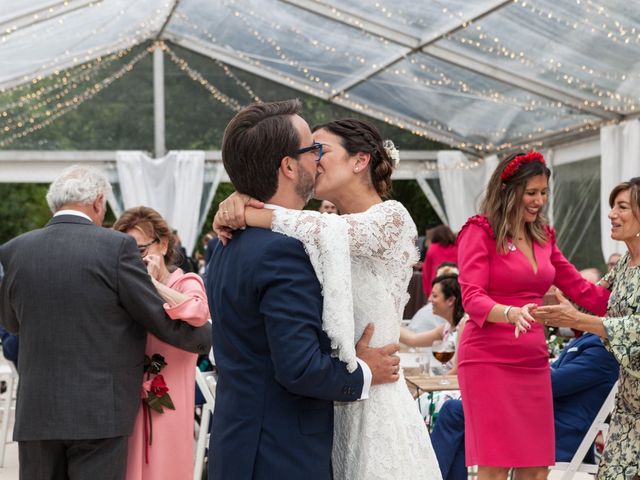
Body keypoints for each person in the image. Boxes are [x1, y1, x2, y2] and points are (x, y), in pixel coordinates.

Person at [214, 111, 442, 479]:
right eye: (311, 150)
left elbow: (325, 230)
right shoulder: (299, 241)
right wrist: (243, 200)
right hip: (328, 399)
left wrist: (248, 210)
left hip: (373, 398)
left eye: (322, 149)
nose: (316, 159)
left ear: (360, 160)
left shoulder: (390, 220)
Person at [0, 165, 211, 480]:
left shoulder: (14, 250)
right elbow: (151, 313)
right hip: (99, 414)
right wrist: (201, 337)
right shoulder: (115, 248)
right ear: (98, 202)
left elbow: (11, 323)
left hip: (37, 412)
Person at [456, 151, 610, 480]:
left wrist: (627, 304)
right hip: (488, 359)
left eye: (543, 193)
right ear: (508, 190)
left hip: (532, 361)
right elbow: (472, 298)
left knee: (537, 466)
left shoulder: (544, 237)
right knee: (495, 466)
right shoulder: (479, 231)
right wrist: (510, 313)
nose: (539, 201)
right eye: (531, 193)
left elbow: (583, 291)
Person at [535, 177, 640, 480]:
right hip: (628, 407)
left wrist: (578, 321)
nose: (611, 214)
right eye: (612, 207)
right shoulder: (624, 265)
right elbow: (588, 298)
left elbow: (635, 329)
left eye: (622, 207)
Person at [431, 330, 619, 480]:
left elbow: (548, 384)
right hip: (537, 419)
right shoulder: (589, 339)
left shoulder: (602, 347)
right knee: (458, 415)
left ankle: (429, 474)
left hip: (556, 431)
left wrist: (505, 368)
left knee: (455, 412)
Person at [112, 207, 210, 480]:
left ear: (163, 244)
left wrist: (153, 284)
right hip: (129, 397)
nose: (135, 258)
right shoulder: (127, 287)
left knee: (166, 467)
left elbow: (199, 312)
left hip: (171, 397)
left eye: (140, 249)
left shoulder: (185, 281)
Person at [400, 273, 465, 374]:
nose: (429, 299)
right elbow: (412, 339)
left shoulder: (465, 325)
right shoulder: (446, 328)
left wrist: (436, 386)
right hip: (446, 382)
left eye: (434, 295)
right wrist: (386, 322)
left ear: (451, 300)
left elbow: (458, 369)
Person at [422, 224, 458, 295]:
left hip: (436, 286)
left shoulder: (432, 249)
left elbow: (426, 273)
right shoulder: (457, 248)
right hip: (455, 286)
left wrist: (428, 292)